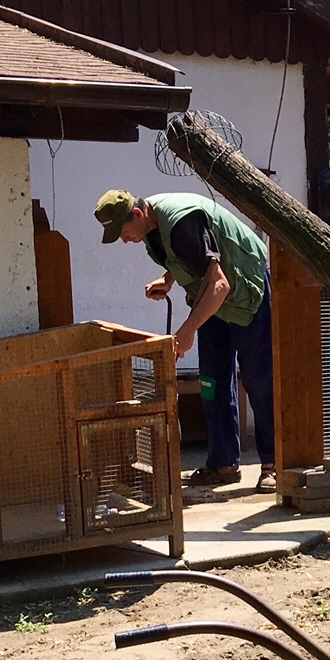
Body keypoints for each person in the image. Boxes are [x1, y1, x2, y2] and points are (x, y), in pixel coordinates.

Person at [95, 190, 277, 493]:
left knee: (258, 379)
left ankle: (274, 463)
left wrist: (188, 330)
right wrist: (168, 279)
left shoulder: (181, 221)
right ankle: (223, 463)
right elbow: (192, 255)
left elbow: (220, 283)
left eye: (123, 232)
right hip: (212, 296)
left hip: (245, 288)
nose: (124, 240)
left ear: (138, 215)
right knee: (211, 381)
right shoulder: (152, 228)